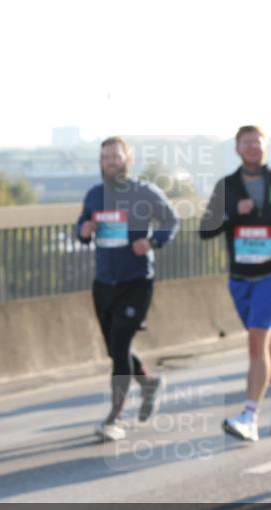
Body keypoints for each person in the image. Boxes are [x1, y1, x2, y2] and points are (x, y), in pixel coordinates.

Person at [199, 125, 271, 442]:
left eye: (258, 142)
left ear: (266, 147)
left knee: (256, 342)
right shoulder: (226, 186)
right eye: (246, 143)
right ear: (237, 148)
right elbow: (205, 229)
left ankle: (249, 415)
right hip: (240, 276)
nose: (253, 147)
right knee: (261, 341)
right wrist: (231, 213)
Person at [76, 136, 181, 442]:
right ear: (100, 162)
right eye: (106, 157)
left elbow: (171, 220)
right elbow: (82, 225)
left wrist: (152, 242)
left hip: (136, 281)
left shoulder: (143, 192)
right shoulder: (95, 195)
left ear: (128, 159)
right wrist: (83, 230)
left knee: (120, 346)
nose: (111, 162)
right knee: (114, 349)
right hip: (104, 282)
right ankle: (147, 384)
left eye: (116, 157)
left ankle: (115, 417)